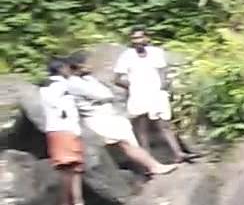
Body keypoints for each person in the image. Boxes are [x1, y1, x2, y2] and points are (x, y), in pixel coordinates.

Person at [65, 56, 174, 179]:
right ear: (78, 66)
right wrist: (105, 95)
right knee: (126, 143)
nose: (91, 66)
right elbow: (103, 94)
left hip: (109, 114)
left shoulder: (88, 79)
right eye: (87, 64)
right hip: (99, 118)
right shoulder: (74, 83)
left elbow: (107, 94)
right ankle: (154, 167)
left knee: (129, 143)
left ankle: (149, 167)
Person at [114, 29, 188, 162]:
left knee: (165, 124)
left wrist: (164, 85)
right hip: (138, 95)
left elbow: (163, 71)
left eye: (140, 38)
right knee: (142, 128)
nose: (138, 41)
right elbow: (117, 79)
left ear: (146, 38)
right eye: (134, 39)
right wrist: (132, 87)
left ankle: (178, 153)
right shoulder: (127, 56)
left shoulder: (156, 52)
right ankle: (149, 160)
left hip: (156, 93)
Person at [39, 59, 87, 205]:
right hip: (64, 129)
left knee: (73, 168)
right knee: (69, 168)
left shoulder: (49, 86)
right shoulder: (59, 85)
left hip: (61, 130)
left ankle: (77, 204)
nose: (70, 70)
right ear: (60, 69)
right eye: (67, 67)